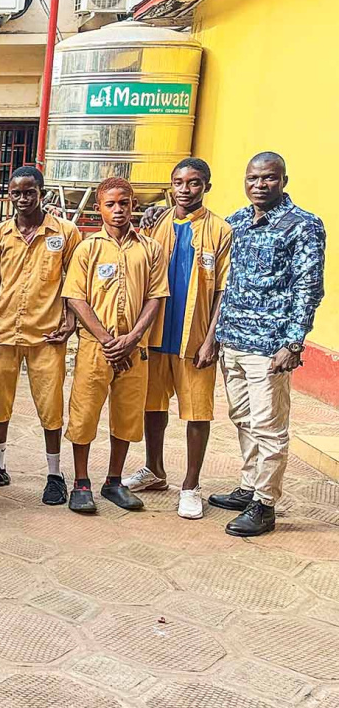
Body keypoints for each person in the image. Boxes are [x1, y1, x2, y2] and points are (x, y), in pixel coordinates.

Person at [209, 152, 326, 537]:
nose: (260, 185)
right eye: (253, 178)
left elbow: (308, 288)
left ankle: (265, 504)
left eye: (269, 178)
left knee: (269, 427)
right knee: (243, 419)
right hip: (234, 340)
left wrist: (293, 344)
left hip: (270, 348)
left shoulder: (304, 226)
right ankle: (248, 486)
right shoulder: (237, 221)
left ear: (284, 181)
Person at [124, 158, 232, 520]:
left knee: (197, 412)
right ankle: (154, 470)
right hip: (156, 335)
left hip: (194, 338)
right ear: (171, 186)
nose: (185, 189)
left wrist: (211, 339)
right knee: (152, 407)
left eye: (194, 183)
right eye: (179, 182)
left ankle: (191, 485)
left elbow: (222, 290)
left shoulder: (220, 230)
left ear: (207, 186)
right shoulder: (157, 224)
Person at [0, 166, 80, 503]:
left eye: (29, 192)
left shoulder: (65, 232)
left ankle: (54, 473)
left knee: (50, 406)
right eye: (16, 192)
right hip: (3, 332)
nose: (22, 198)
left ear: (42, 192)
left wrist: (70, 320)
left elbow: (75, 282)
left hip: (47, 333)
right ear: (9, 195)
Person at [62, 178, 168, 515]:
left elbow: (156, 297)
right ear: (99, 208)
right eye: (111, 204)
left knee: (126, 415)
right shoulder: (88, 248)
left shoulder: (149, 249)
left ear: (133, 204)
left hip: (135, 349)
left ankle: (114, 480)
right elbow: (76, 297)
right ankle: (81, 482)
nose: (118, 210)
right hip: (97, 347)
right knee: (84, 413)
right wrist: (108, 340)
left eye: (124, 203)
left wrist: (132, 337)